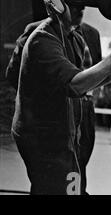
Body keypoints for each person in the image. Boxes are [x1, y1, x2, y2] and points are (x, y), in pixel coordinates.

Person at [11, 0, 111, 195]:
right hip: (44, 136)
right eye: (73, 1)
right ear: (55, 5)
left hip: (73, 128)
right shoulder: (42, 40)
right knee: (53, 189)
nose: (81, 8)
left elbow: (90, 79)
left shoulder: (79, 36)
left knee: (74, 185)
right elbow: (75, 85)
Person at [5, 17, 102, 195]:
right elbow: (14, 74)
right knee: (50, 183)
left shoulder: (91, 34)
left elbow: (97, 74)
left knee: (76, 172)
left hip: (83, 113)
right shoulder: (37, 33)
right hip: (49, 119)